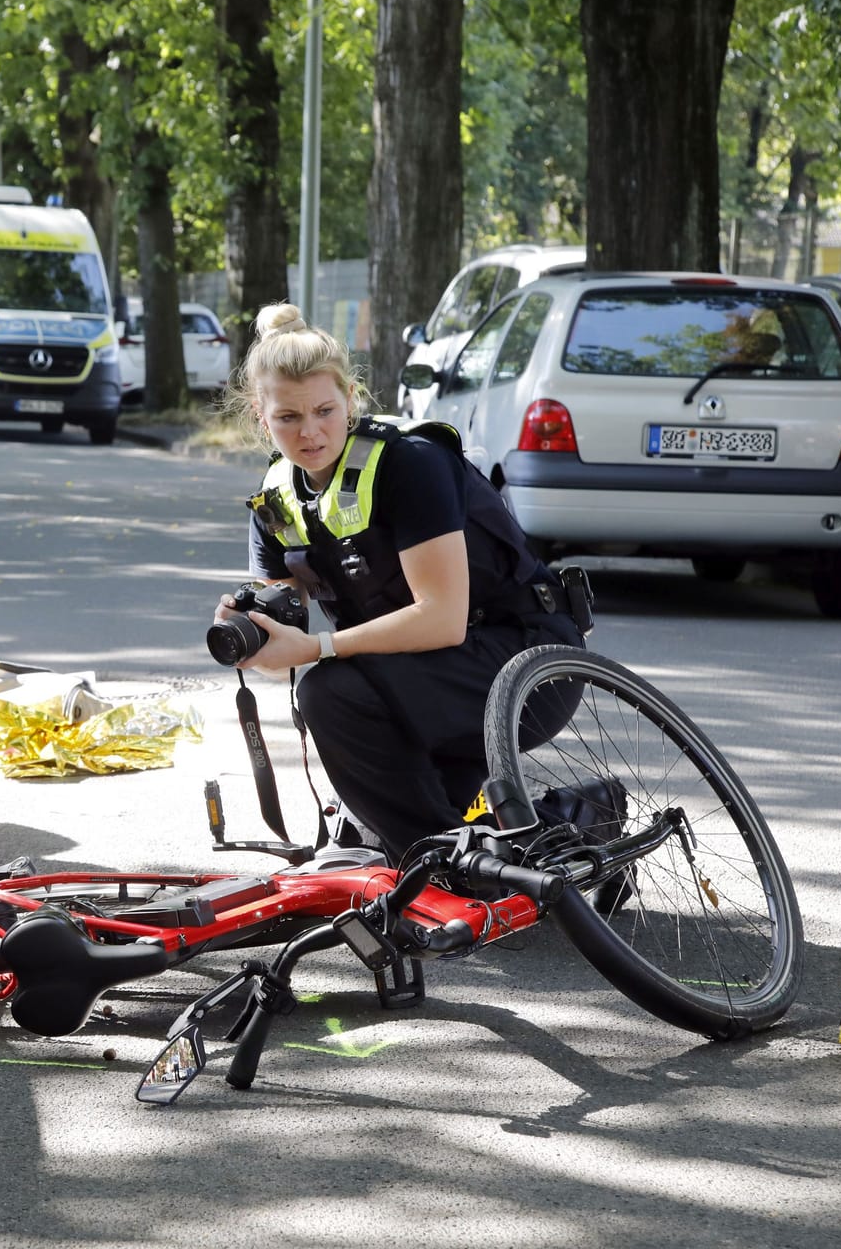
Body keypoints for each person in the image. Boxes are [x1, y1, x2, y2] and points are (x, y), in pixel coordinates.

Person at [213, 303, 584, 857]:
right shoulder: (276, 498)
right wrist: (254, 632)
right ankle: (573, 829)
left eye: (324, 410)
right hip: (421, 677)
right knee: (480, 831)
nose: (310, 432)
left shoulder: (410, 463)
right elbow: (284, 611)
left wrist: (317, 647)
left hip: (527, 665)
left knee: (329, 691)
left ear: (351, 400)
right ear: (260, 417)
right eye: (288, 418)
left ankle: (435, 862)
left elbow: (441, 615)